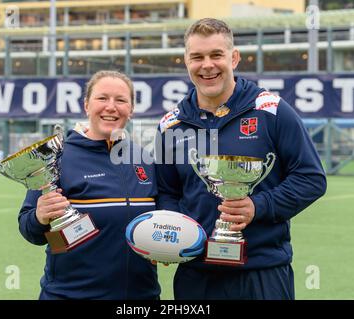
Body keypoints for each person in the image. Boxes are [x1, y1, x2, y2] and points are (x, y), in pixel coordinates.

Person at [155, 18, 327, 300]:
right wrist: (172, 232)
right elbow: (166, 192)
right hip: (196, 275)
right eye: (197, 57)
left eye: (216, 55)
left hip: (262, 272)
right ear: (185, 61)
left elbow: (311, 178)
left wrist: (258, 206)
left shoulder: (271, 110)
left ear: (233, 58)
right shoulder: (170, 125)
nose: (207, 65)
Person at [18, 70, 160, 299]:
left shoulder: (145, 159)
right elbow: (28, 228)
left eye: (121, 100)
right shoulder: (56, 157)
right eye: (102, 98)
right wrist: (39, 216)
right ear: (86, 105)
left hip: (140, 297)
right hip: (69, 295)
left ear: (131, 110)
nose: (111, 107)